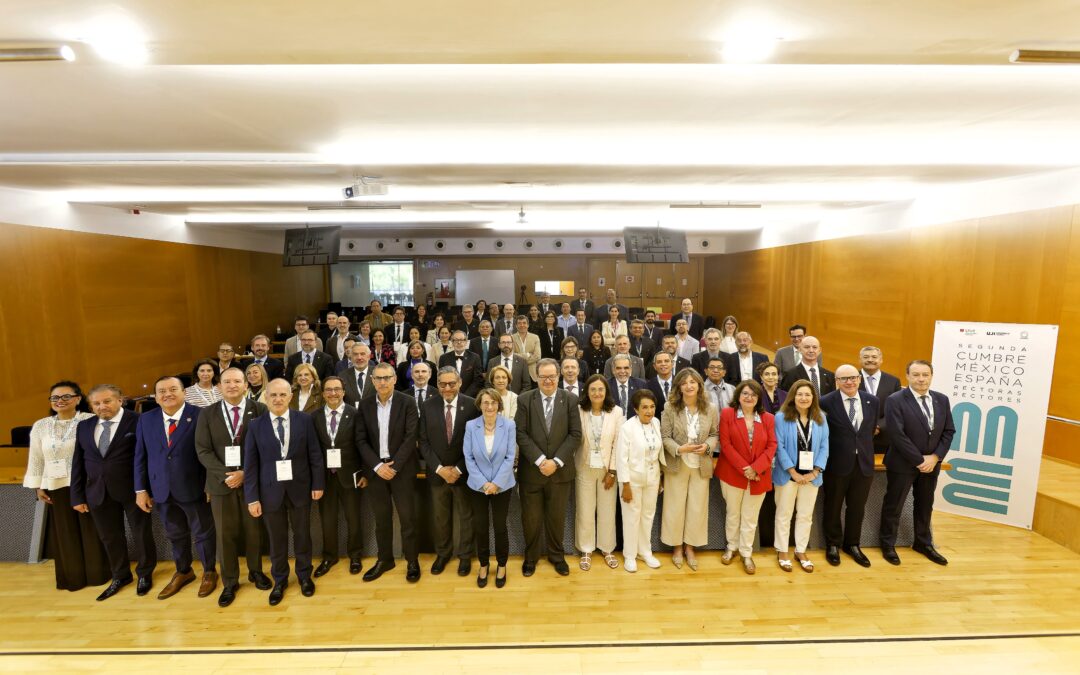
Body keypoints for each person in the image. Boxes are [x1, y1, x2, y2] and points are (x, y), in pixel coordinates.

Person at [194, 367, 272, 607]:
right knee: (224, 534)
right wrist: (227, 475)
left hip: (251, 482)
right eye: (227, 382)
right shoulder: (207, 414)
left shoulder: (259, 410)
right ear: (219, 386)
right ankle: (229, 582)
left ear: (246, 385)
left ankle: (256, 572)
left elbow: (266, 446)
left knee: (253, 531)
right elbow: (203, 450)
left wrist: (245, 473)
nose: (232, 385)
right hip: (221, 484)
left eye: (237, 381)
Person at [135, 376, 218, 599]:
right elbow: (140, 456)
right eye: (161, 391)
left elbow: (211, 452)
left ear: (184, 392)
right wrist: (141, 490)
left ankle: (209, 571)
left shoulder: (201, 415)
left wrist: (210, 483)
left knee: (203, 533)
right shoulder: (146, 419)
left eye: (173, 389)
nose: (167, 394)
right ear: (155, 396)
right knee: (175, 534)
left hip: (195, 487)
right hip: (161, 488)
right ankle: (183, 571)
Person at [71, 384, 156, 600]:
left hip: (134, 490)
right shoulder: (84, 426)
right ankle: (120, 575)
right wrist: (77, 496)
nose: (102, 406)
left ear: (120, 400)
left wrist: (145, 489)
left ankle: (145, 574)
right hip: (97, 491)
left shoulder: (138, 421)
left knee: (141, 534)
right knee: (110, 537)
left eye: (107, 401)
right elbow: (78, 462)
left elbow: (147, 457)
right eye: (96, 403)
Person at [244, 379, 325, 605]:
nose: (278, 399)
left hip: (300, 488)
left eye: (282, 395)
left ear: (290, 396)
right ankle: (280, 580)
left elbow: (315, 455)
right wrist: (252, 498)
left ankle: (304, 576)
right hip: (270, 492)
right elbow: (250, 465)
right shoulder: (255, 425)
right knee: (276, 539)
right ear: (266, 397)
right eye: (273, 395)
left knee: (303, 536)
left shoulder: (305, 420)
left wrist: (318, 484)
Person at [25, 381, 110, 593]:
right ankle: (73, 578)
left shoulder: (90, 420)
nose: (60, 401)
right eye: (55, 397)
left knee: (91, 529)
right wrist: (38, 486)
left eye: (66, 396)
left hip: (87, 483)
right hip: (56, 484)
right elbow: (36, 457)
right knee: (65, 532)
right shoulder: (41, 425)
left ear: (78, 399)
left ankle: (97, 574)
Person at [880, 360, 956, 566]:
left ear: (931, 376)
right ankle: (888, 544)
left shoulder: (942, 399)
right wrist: (920, 460)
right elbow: (897, 434)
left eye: (925, 374)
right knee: (894, 505)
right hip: (902, 463)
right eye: (916, 375)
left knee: (925, 504)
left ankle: (923, 543)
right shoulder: (895, 400)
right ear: (907, 376)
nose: (921, 379)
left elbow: (948, 431)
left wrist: (935, 457)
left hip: (932, 464)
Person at [515, 359, 583, 577]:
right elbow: (520, 433)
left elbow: (575, 434)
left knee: (556, 519)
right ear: (536, 377)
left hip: (560, 472)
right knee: (531, 520)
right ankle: (531, 558)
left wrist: (556, 462)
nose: (548, 381)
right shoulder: (525, 399)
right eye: (543, 376)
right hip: (532, 472)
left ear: (558, 376)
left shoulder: (570, 399)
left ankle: (557, 557)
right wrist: (540, 460)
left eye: (552, 376)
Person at [356, 362, 422, 583]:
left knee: (408, 519)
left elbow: (411, 437)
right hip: (376, 471)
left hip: (401, 470)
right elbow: (361, 440)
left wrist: (394, 467)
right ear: (372, 381)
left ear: (394, 379)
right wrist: (377, 466)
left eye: (387, 378)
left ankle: (412, 561)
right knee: (381, 520)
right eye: (378, 378)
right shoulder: (364, 405)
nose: (383, 382)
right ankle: (385, 559)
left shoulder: (408, 402)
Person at [420, 367, 481, 577]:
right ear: (437, 385)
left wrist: (458, 468)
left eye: (452, 384)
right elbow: (423, 442)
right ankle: (443, 554)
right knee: (440, 518)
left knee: (466, 517)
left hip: (463, 473)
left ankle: (465, 556)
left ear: (460, 383)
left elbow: (476, 443)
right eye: (443, 384)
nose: (447, 388)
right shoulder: (427, 406)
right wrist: (440, 469)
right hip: (437, 474)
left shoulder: (472, 405)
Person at [820, 365, 879, 568]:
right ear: (836, 381)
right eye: (844, 379)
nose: (849, 382)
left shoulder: (872, 401)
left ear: (859, 379)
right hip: (836, 464)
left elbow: (868, 431)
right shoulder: (825, 401)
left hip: (863, 464)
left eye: (853, 377)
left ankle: (852, 544)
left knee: (857, 507)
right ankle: (832, 544)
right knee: (833, 506)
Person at [660, 368, 719, 571]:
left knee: (697, 507)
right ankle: (677, 547)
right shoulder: (669, 407)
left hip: (701, 464)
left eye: (693, 382)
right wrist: (679, 449)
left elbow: (714, 433)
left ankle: (690, 547)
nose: (689, 386)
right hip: (677, 463)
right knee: (674, 506)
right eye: (684, 383)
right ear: (679, 387)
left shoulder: (710, 408)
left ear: (699, 385)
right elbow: (665, 436)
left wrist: (708, 447)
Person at [716, 379, 776, 574]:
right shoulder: (728, 414)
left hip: (759, 475)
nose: (749, 397)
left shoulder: (768, 418)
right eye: (745, 393)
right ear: (738, 396)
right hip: (732, 473)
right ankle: (731, 547)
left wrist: (755, 469)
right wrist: (746, 469)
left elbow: (772, 445)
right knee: (733, 513)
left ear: (759, 398)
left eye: (753, 394)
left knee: (750, 517)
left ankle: (746, 552)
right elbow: (726, 445)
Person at [772, 380, 830, 573]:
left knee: (805, 515)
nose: (803, 398)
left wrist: (815, 471)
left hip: (812, 477)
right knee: (784, 515)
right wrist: (793, 472)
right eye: (800, 394)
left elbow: (825, 446)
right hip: (787, 475)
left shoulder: (821, 418)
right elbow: (779, 447)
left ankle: (801, 550)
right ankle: (782, 551)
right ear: (793, 396)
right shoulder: (781, 417)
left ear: (813, 398)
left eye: (807, 394)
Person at [311, 376, 366, 579]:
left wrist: (364, 473)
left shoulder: (355, 414)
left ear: (343, 392)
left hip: (351, 476)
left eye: (337, 389)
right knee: (327, 519)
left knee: (353, 518)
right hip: (325, 478)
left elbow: (362, 444)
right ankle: (329, 556)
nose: (333, 393)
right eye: (328, 390)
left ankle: (355, 555)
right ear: (323, 393)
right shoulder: (314, 417)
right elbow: (312, 451)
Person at [463, 388, 517, 588]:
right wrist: (484, 483)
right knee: (481, 526)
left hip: (502, 486)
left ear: (499, 405)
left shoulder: (509, 425)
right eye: (486, 402)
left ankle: (502, 566)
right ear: (480, 404)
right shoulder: (471, 426)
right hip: (478, 486)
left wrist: (496, 483)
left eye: (493, 402)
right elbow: (468, 457)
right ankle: (484, 565)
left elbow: (510, 456)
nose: (490, 406)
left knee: (500, 526)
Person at [575, 374, 623, 572]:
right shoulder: (579, 410)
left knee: (607, 510)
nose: (597, 393)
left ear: (606, 391)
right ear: (587, 392)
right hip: (584, 466)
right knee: (585, 509)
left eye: (600, 389)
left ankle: (607, 548)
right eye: (593, 389)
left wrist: (612, 471)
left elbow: (618, 443)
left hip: (607, 469)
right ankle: (586, 549)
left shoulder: (616, 412)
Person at [618, 389, 664, 573]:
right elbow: (621, 459)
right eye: (644, 407)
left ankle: (645, 551)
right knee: (631, 517)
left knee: (648, 515)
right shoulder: (627, 428)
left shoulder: (656, 423)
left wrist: (661, 478)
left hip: (653, 478)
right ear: (636, 409)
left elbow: (658, 453)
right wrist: (625, 485)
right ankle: (630, 555)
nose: (649, 411)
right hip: (632, 480)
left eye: (652, 407)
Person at [858, 346, 902, 454]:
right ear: (860, 360)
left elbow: (896, 409)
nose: (870, 360)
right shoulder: (851, 379)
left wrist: (878, 426)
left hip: (884, 437)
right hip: (856, 435)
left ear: (881, 360)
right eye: (866, 357)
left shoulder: (893, 381)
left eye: (874, 357)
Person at [439, 330, 484, 397]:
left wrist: (465, 396)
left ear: (466, 342)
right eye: (456, 340)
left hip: (470, 397)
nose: (459, 342)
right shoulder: (444, 358)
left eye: (461, 340)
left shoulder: (475, 357)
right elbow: (441, 379)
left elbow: (478, 381)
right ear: (452, 342)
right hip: (449, 395)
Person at [608, 354, 647, 419]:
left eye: (626, 368)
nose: (622, 371)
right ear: (613, 370)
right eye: (618, 368)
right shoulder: (606, 386)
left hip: (634, 423)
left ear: (631, 369)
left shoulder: (641, 385)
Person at [644, 350, 676, 418]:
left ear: (672, 363)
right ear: (654, 366)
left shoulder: (680, 383)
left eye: (666, 361)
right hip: (657, 422)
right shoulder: (647, 386)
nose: (663, 364)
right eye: (659, 362)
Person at [512, 315, 542, 382]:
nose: (522, 325)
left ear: (528, 325)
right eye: (519, 323)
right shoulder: (511, 338)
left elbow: (538, 356)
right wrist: (528, 354)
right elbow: (511, 355)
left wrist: (519, 356)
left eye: (524, 323)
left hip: (532, 374)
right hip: (517, 372)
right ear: (516, 325)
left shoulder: (535, 337)